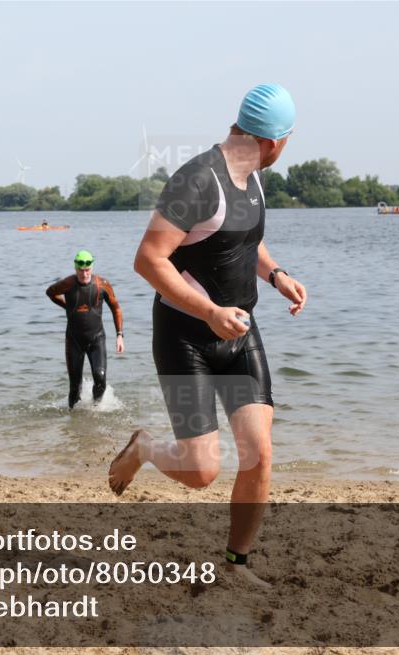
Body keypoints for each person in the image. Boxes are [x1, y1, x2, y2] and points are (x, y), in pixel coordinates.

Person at [108, 84, 307, 586]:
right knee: (200, 472)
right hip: (185, 335)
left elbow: (241, 242)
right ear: (275, 140)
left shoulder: (253, 177)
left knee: (259, 454)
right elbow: (147, 260)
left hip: (238, 330)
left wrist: (277, 275)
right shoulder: (197, 179)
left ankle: (237, 564)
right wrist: (209, 311)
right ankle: (144, 448)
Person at [46, 250, 124, 408]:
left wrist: (120, 335)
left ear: (92, 267)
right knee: (74, 388)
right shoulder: (68, 284)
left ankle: (96, 410)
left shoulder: (102, 285)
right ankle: (72, 423)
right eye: (81, 270)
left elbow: (116, 308)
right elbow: (50, 292)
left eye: (87, 269)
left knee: (100, 378)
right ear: (76, 268)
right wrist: (67, 306)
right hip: (74, 340)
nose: (84, 273)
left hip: (97, 339)